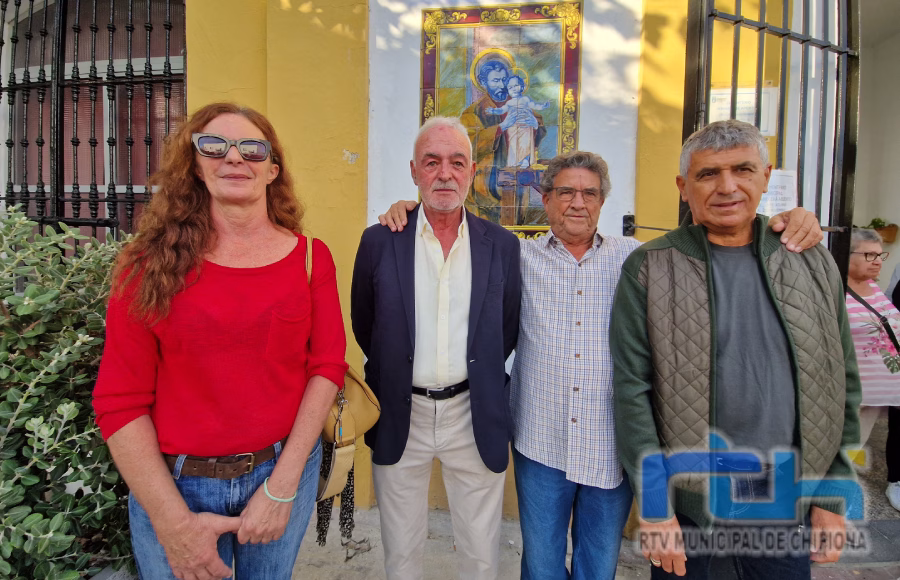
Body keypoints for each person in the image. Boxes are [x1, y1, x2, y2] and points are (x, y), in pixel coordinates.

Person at [378, 150, 824, 580]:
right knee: (543, 564)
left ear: (602, 202)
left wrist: (790, 220)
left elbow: (713, 240)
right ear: (545, 199)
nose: (578, 202)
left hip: (610, 446)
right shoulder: (515, 256)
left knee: (598, 564)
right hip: (541, 441)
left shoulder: (639, 258)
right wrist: (407, 209)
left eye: (589, 193)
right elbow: (452, 234)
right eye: (566, 192)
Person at [92, 102, 348, 580]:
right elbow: (119, 402)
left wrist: (282, 487)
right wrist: (173, 525)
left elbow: (327, 367)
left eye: (252, 148)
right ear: (194, 164)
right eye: (214, 145)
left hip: (281, 471)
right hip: (174, 486)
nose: (234, 158)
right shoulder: (146, 265)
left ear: (272, 170)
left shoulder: (311, 258)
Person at [611, 119, 861, 579]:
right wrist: (655, 507)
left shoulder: (810, 260)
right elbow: (632, 393)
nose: (727, 187)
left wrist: (833, 495)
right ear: (684, 188)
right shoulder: (650, 266)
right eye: (708, 174)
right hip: (691, 512)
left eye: (742, 170)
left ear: (765, 177)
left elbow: (839, 378)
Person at [350, 115, 521, 580]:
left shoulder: (501, 246)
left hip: (474, 409)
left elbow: (505, 329)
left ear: (471, 171)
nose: (444, 173)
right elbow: (365, 324)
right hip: (401, 410)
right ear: (413, 170)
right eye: (432, 162)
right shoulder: (379, 241)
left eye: (456, 162)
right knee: (401, 555)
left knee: (480, 555)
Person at [844, 228, 900, 511]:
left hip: (883, 392)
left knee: (852, 451)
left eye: (880, 255)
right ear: (846, 254)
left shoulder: (876, 287)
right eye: (868, 254)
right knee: (839, 452)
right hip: (854, 392)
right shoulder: (837, 292)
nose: (877, 261)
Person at [460, 58, 546, 220]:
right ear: (483, 82)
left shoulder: (519, 103)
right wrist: (502, 127)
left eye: (504, 80)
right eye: (495, 81)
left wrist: (534, 125)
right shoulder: (473, 113)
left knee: (516, 218)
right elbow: (467, 145)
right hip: (486, 183)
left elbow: (539, 126)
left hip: (518, 177)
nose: (501, 85)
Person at [485, 75, 550, 168]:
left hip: (526, 126)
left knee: (525, 143)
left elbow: (534, 105)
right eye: (510, 87)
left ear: (522, 87)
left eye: (516, 86)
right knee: (513, 144)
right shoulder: (509, 103)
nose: (514, 89)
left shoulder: (525, 99)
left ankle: (525, 159)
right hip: (513, 128)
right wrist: (493, 111)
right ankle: (514, 161)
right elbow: (501, 110)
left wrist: (543, 106)